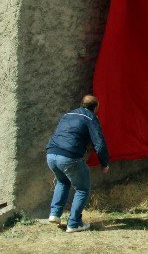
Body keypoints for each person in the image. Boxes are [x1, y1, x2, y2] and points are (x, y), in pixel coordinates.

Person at [46, 95, 110, 233]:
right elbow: (99, 144)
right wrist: (104, 163)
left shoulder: (67, 115)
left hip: (51, 154)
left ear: (81, 104)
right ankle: (74, 224)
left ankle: (55, 214)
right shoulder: (90, 118)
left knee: (62, 181)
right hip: (69, 157)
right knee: (82, 189)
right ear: (96, 108)